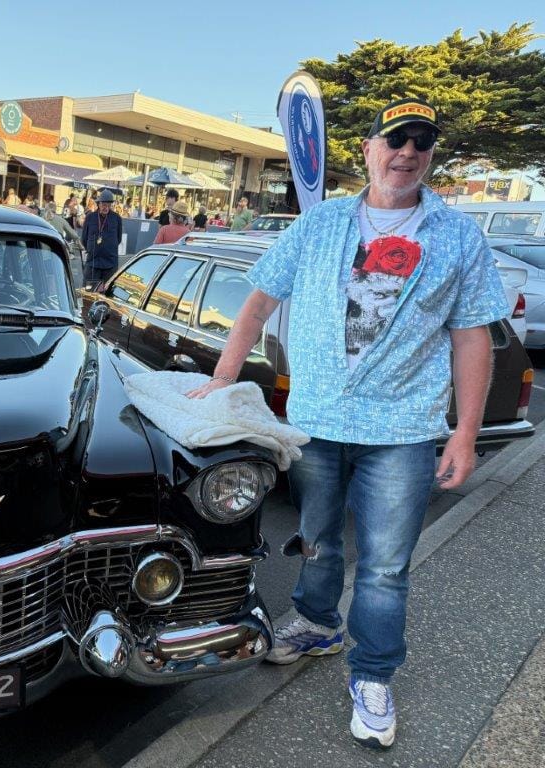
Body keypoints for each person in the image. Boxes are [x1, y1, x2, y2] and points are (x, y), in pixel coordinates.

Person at [184, 97, 508, 749]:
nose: (407, 152)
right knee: (318, 539)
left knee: (386, 566)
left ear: (430, 155)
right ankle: (316, 623)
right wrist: (221, 382)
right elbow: (255, 306)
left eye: (421, 142)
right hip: (318, 422)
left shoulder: (458, 237)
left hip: (403, 430)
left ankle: (375, 676)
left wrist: (466, 431)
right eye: (395, 139)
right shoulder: (321, 225)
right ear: (368, 149)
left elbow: (473, 338)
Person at [80, 189, 122, 287]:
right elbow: (84, 239)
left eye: (108, 205)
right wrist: (91, 249)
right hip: (93, 262)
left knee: (107, 293)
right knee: (89, 291)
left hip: (110, 263)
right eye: (104, 205)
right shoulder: (90, 217)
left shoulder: (117, 218)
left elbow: (118, 239)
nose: (106, 208)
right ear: (99, 204)